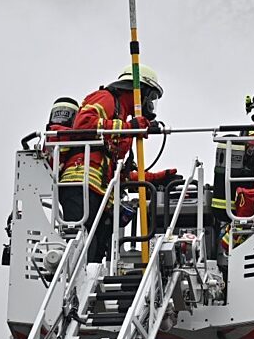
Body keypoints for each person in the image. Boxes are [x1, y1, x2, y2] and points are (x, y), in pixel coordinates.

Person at [59, 64, 176, 262]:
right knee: (82, 241)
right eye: (152, 97)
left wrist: (157, 178)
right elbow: (83, 125)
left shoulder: (122, 116)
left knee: (96, 247)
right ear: (140, 91)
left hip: (101, 190)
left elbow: (119, 173)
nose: (151, 104)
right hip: (80, 181)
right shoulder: (106, 98)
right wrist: (129, 127)